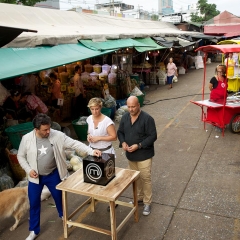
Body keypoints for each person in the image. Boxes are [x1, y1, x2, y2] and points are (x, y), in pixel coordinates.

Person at [17, 113, 101, 240]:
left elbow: (74, 144)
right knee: (34, 203)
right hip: (35, 178)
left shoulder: (57, 135)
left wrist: (91, 151)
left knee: (59, 197)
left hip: (53, 174)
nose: (48, 131)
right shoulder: (27, 139)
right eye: (45, 130)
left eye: (49, 128)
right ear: (36, 129)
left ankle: (63, 216)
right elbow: (20, 156)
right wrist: (28, 170)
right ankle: (34, 230)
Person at [117, 96, 157, 216]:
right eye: (129, 107)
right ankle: (139, 198)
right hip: (131, 155)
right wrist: (123, 142)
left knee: (145, 178)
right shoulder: (125, 117)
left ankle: (147, 202)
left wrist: (139, 145)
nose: (131, 109)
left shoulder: (147, 119)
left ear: (139, 105)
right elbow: (120, 132)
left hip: (144, 155)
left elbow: (152, 136)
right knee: (136, 178)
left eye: (133, 106)